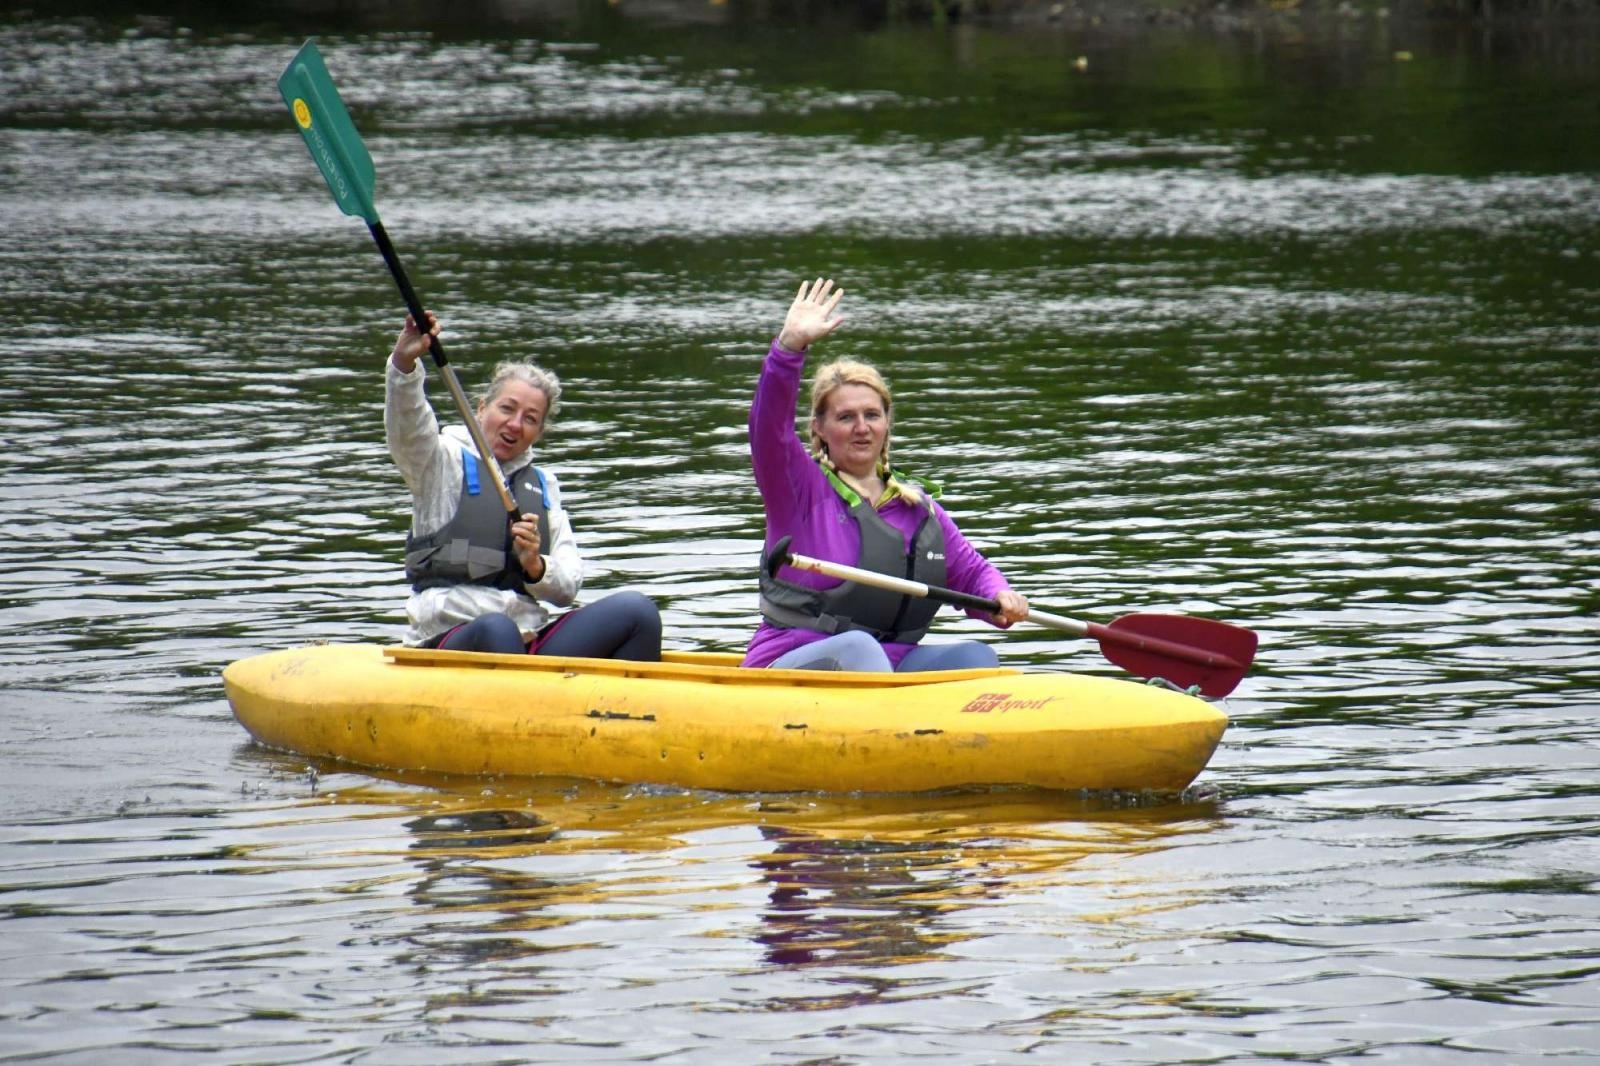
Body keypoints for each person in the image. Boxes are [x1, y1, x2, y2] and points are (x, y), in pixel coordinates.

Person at [743, 278, 1028, 672]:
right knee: (858, 648)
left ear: (886, 425)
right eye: (846, 417)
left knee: (975, 657)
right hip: (791, 662)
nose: (862, 427)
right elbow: (767, 429)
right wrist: (789, 349)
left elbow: (971, 572)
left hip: (890, 667)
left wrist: (1000, 595)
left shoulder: (918, 510)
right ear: (820, 429)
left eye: (872, 415)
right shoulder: (799, 490)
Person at [385, 311, 661, 659]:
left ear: (539, 432)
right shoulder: (439, 462)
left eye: (530, 419)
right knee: (495, 626)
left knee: (638, 613)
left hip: (527, 638)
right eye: (507, 408)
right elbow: (408, 426)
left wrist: (536, 566)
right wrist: (405, 364)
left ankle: (615, 710)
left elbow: (567, 584)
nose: (515, 424)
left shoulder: (543, 486)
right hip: (451, 637)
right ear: (482, 408)